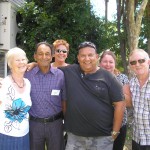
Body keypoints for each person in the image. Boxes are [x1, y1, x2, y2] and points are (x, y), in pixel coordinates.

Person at [59, 41, 125, 150]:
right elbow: (47, 68)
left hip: (102, 138)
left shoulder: (108, 77)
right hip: (75, 137)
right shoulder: (70, 71)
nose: (87, 59)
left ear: (97, 57)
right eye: (83, 56)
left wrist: (115, 131)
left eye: (90, 55)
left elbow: (120, 104)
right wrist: (32, 64)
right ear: (78, 58)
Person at [25, 42, 66, 150]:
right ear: (35, 56)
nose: (44, 57)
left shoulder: (60, 75)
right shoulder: (27, 74)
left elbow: (64, 100)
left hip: (55, 125)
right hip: (34, 125)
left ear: (52, 55)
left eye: (47, 54)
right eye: (40, 54)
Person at [0, 47, 32, 150]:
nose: (21, 62)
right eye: (17, 60)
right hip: (6, 136)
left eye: (23, 59)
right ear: (10, 64)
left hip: (24, 135)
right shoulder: (3, 84)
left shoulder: (28, 83)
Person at [99, 50, 131, 150]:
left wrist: (114, 92)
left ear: (114, 63)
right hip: (99, 125)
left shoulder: (122, 78)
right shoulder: (93, 78)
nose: (108, 64)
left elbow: (129, 102)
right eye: (105, 61)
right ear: (100, 63)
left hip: (121, 125)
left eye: (111, 62)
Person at [128, 49, 150, 150]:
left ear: (148, 62)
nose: (137, 64)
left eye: (141, 60)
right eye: (133, 62)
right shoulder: (131, 84)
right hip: (137, 139)